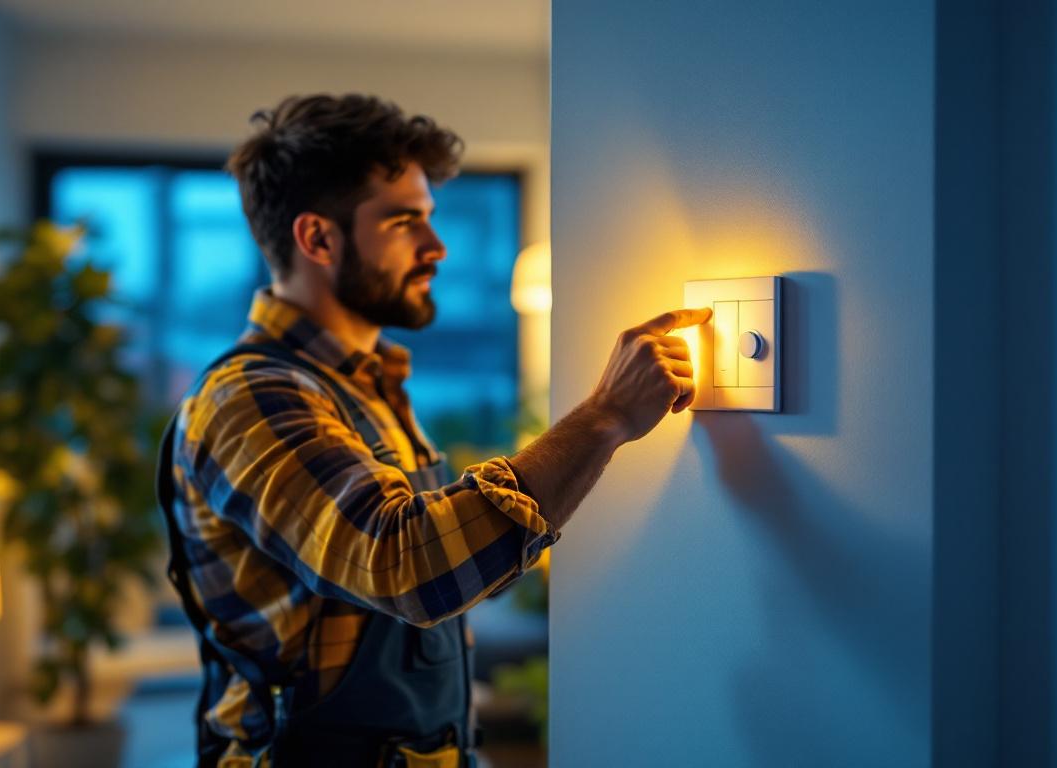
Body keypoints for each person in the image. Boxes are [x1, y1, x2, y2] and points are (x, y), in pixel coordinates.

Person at [157, 93, 710, 768]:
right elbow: (411, 566)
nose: (436, 246)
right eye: (404, 221)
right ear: (317, 239)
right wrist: (606, 416)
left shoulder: (366, 387)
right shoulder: (250, 399)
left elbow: (460, 570)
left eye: (431, 219)